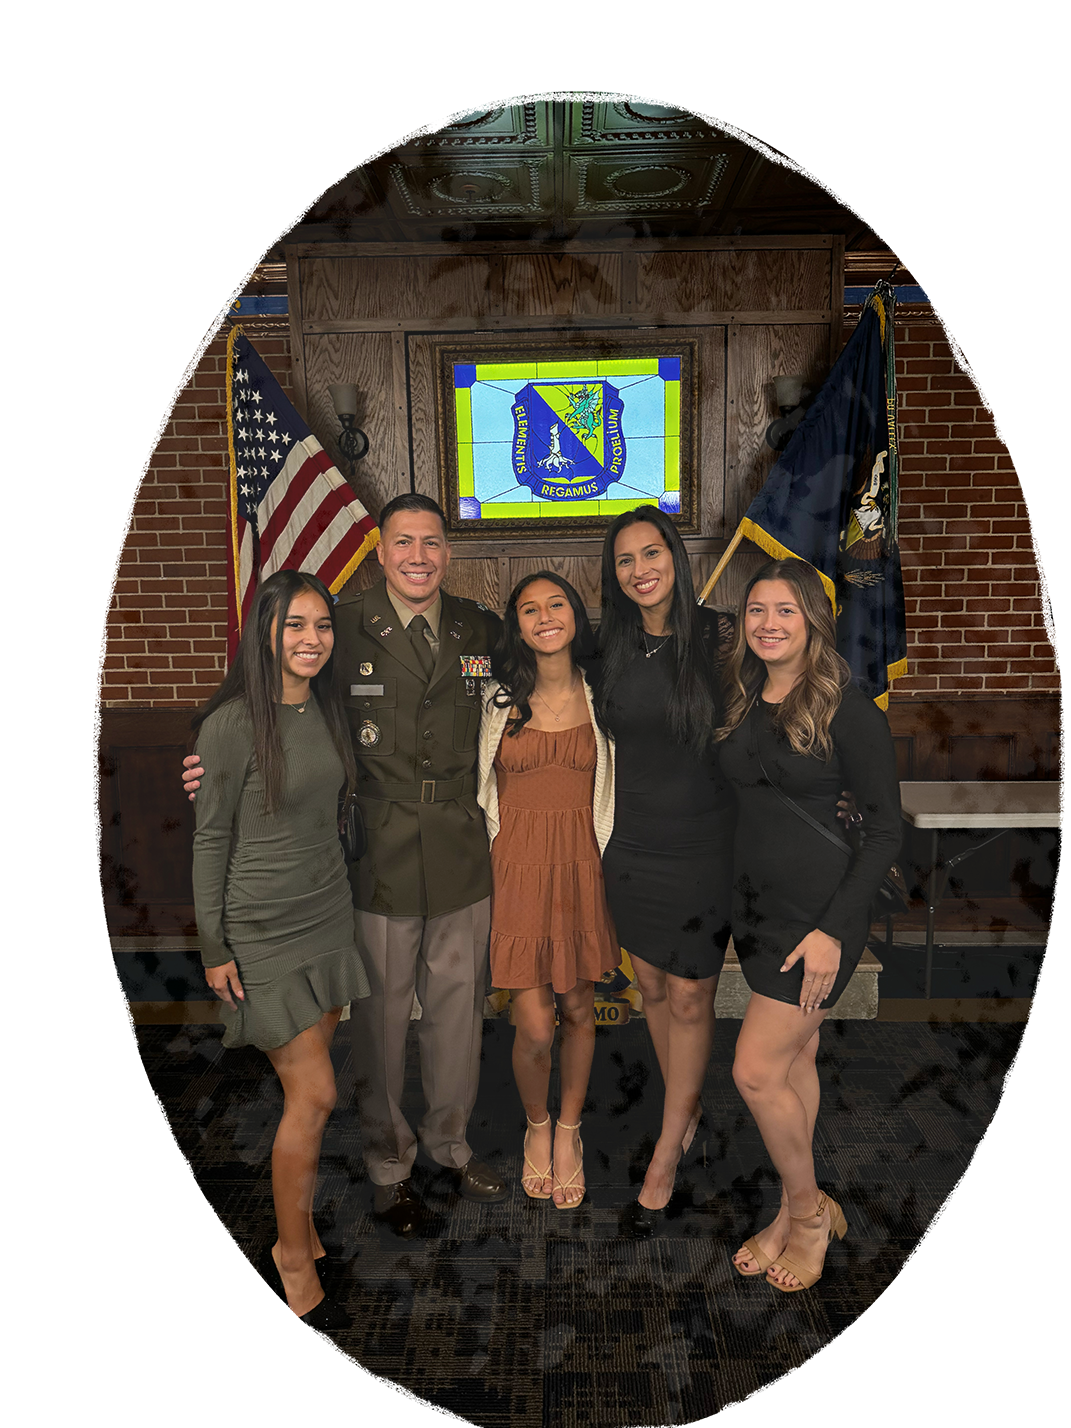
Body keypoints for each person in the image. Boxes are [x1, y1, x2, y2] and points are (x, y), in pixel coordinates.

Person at [184, 494, 508, 1244]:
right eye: (403, 543)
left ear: (447, 554)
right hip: (373, 852)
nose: (418, 556)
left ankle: (450, 1145)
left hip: (460, 843)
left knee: (458, 1015)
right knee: (383, 1020)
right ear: (379, 550)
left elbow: (517, 702)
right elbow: (272, 713)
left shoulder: (477, 628)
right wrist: (201, 769)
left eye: (432, 542)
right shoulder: (342, 625)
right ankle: (388, 1164)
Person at [716, 558, 900, 1291]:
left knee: (754, 1070)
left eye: (784, 610)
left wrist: (833, 931)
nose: (768, 623)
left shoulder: (848, 709)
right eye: (756, 610)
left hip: (820, 920)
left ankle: (807, 1214)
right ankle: (794, 1212)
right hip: (758, 912)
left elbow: (885, 833)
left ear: (813, 620)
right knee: (794, 1062)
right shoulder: (741, 699)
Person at [191, 569, 369, 1328]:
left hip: (328, 914)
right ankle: (290, 1254)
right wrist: (213, 947)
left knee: (318, 1089)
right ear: (264, 632)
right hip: (260, 928)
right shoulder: (231, 725)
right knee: (316, 1094)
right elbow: (211, 839)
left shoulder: (327, 710)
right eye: (294, 626)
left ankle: (299, 1231)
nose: (310, 640)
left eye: (322, 626)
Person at [593, 505, 735, 1237]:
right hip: (632, 846)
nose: (639, 570)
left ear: (674, 560)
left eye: (651, 554)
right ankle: (690, 1115)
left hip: (702, 849)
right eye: (624, 560)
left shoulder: (718, 638)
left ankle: (667, 1152)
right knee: (649, 986)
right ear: (613, 575)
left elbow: (770, 718)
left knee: (688, 998)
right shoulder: (607, 647)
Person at [477, 572, 618, 1209]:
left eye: (555, 604)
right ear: (518, 625)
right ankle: (536, 1125)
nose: (543, 617)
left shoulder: (604, 696)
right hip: (517, 872)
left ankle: (570, 1131)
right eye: (528, 609)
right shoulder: (496, 699)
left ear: (574, 615)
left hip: (582, 868)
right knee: (533, 1024)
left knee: (581, 1006)